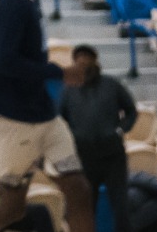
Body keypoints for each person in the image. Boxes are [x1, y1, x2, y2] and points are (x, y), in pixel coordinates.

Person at [0, 0, 96, 232]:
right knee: (11, 209)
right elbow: (5, 62)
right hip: (15, 120)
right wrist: (59, 72)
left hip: (43, 115)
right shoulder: (14, 3)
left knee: (79, 189)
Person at [60, 44, 138, 232]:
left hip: (113, 156)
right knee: (86, 208)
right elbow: (60, 119)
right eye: (79, 61)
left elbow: (131, 111)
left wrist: (120, 130)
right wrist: (72, 136)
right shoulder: (68, 91)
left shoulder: (111, 85)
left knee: (120, 207)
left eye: (87, 60)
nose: (83, 64)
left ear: (95, 62)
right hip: (84, 157)